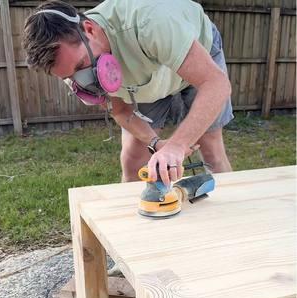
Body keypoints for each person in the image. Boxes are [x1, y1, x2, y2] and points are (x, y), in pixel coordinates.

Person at [23, 0, 233, 185]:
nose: (82, 78)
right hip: (146, 76)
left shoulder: (148, 20)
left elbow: (216, 84)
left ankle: (227, 223)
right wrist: (156, 143)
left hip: (197, 53)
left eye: (81, 66)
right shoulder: (71, 66)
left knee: (211, 150)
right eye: (69, 76)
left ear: (89, 29)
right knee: (133, 160)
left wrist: (177, 146)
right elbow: (121, 110)